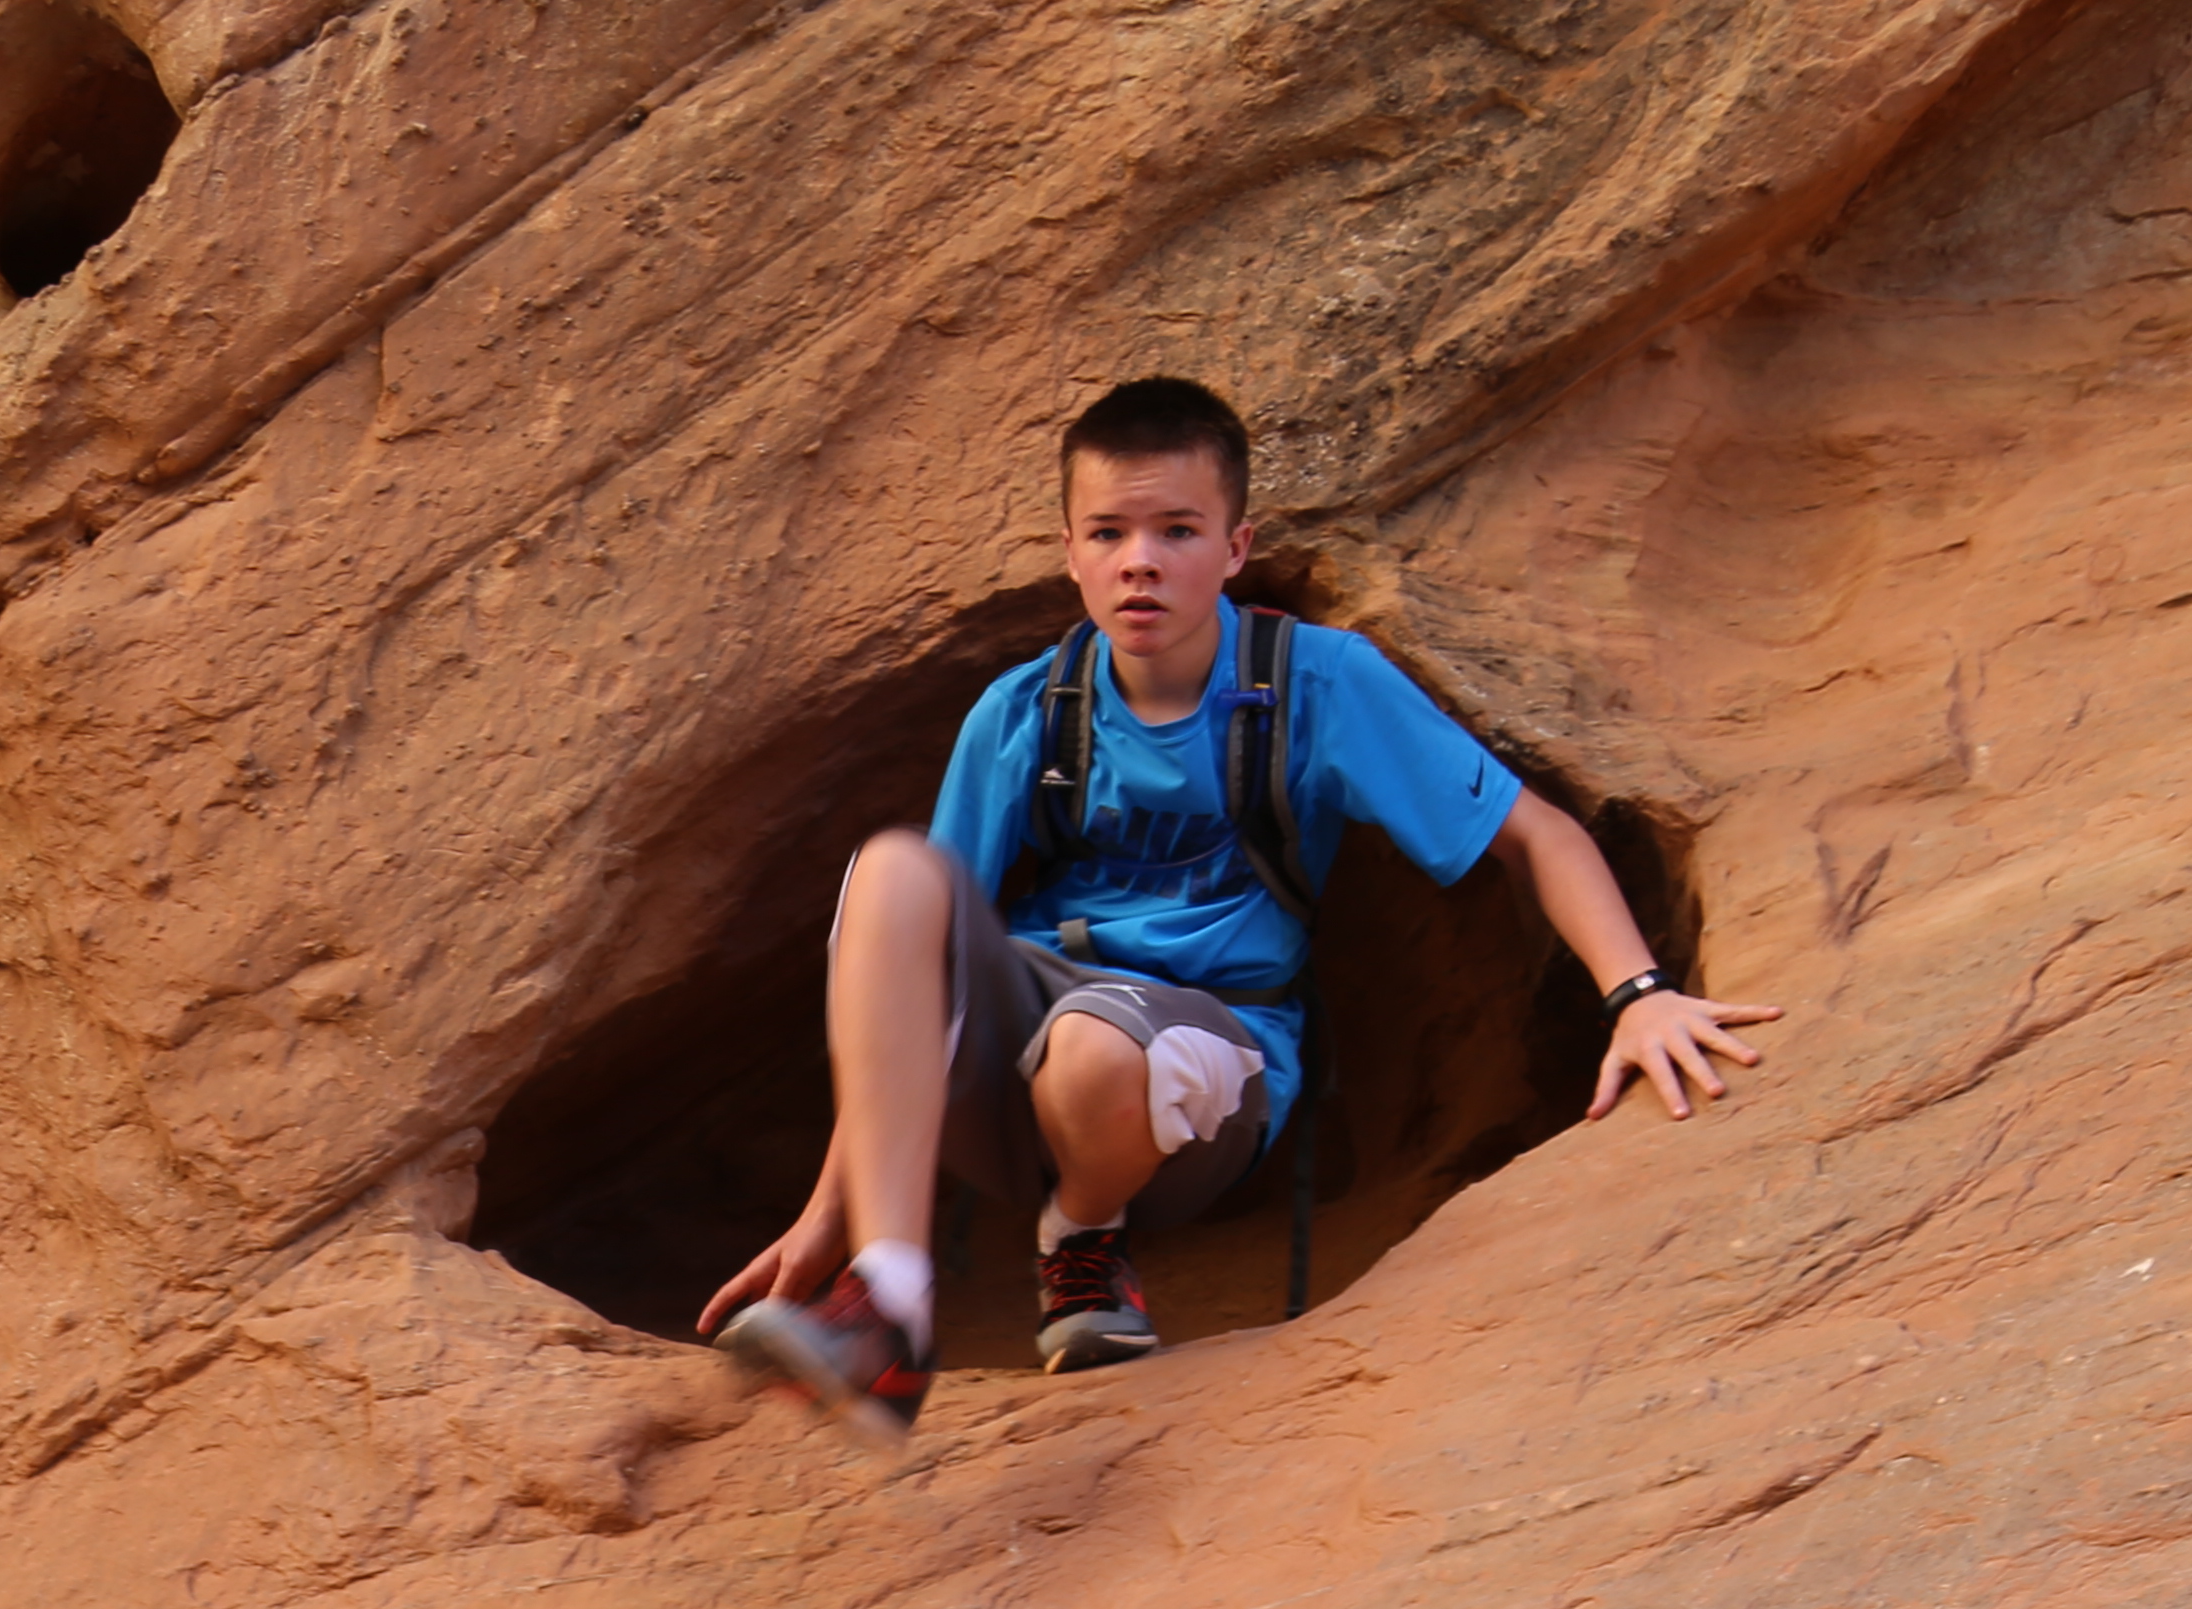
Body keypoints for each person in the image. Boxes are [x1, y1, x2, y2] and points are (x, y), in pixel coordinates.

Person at [705, 373, 1779, 1441]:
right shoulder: (1027, 711)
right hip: (1018, 1060)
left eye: (1178, 529)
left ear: (1234, 546)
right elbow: (902, 978)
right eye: (1110, 532)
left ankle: (1081, 1238)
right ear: (1069, 550)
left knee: (1097, 1044)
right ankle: (888, 1302)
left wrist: (1639, 996)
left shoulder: (1314, 683)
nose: (1141, 561)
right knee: (894, 874)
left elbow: (1533, 832)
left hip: (1206, 1061)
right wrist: (826, 1217)